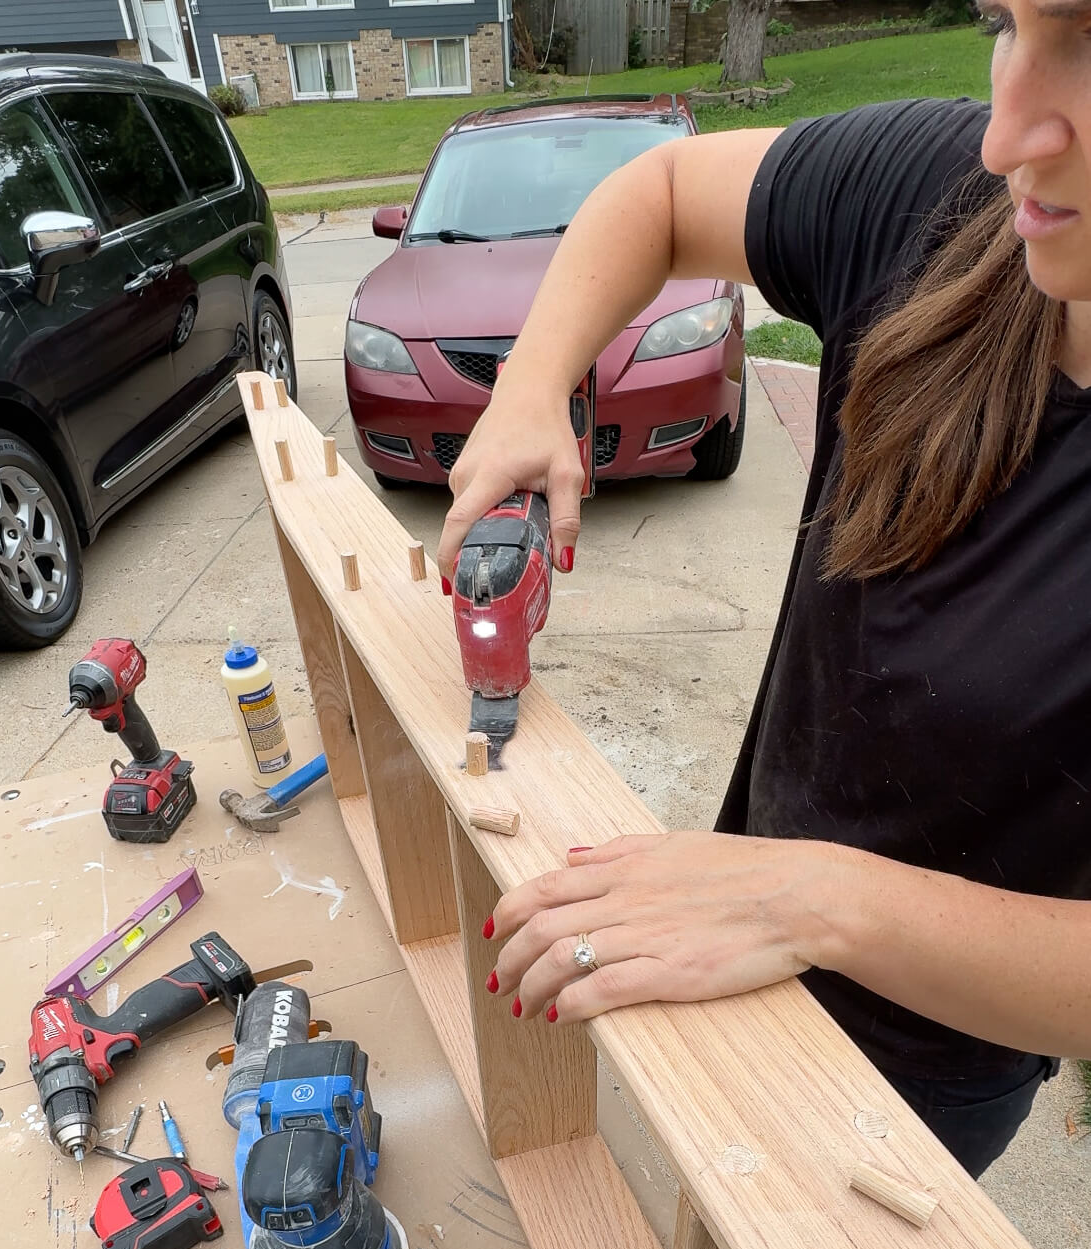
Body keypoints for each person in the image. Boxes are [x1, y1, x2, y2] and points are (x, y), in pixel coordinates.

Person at [436, 0, 1091, 1185]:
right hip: (728, 921)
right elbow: (661, 194)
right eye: (1008, 20)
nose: (1007, 138)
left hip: (925, 1076)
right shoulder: (942, 198)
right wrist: (530, 388)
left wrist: (815, 902)